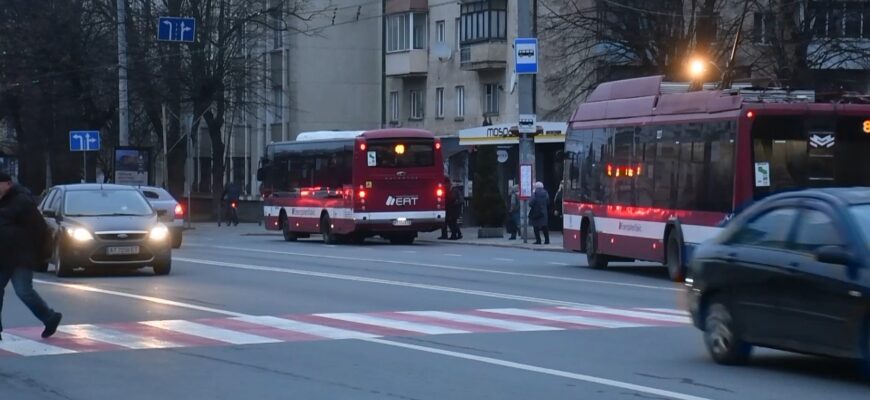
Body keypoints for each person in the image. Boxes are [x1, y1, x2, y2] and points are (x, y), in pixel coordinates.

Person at [0, 172, 62, 340]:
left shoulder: (22, 202)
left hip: (20, 256)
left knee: (24, 291)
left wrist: (35, 252)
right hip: (2, 256)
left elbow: (39, 229)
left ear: (8, 184)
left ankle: (50, 318)